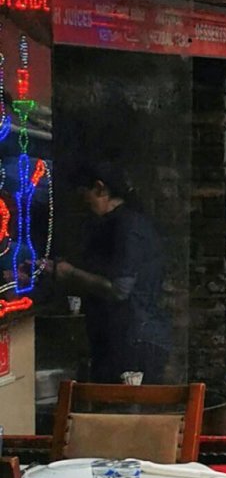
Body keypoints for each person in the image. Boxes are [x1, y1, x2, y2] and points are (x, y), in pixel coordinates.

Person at [54, 163, 168, 384]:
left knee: (123, 412)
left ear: (99, 189)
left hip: (133, 339)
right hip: (123, 335)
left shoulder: (127, 227)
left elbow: (119, 289)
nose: (82, 203)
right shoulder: (119, 223)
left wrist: (70, 273)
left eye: (83, 194)